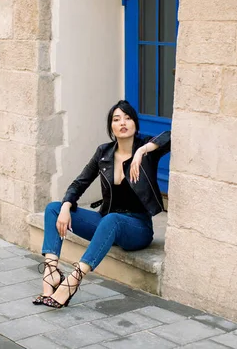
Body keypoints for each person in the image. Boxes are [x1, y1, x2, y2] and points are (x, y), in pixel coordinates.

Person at [33, 100, 171, 308]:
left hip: (137, 228)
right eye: (117, 119)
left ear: (135, 124)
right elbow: (79, 183)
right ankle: (50, 274)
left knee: (113, 220)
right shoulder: (104, 153)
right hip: (107, 222)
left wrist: (142, 152)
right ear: (111, 127)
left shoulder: (147, 151)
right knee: (53, 208)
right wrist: (66, 206)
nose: (123, 123)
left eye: (128, 118)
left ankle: (71, 283)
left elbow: (170, 136)